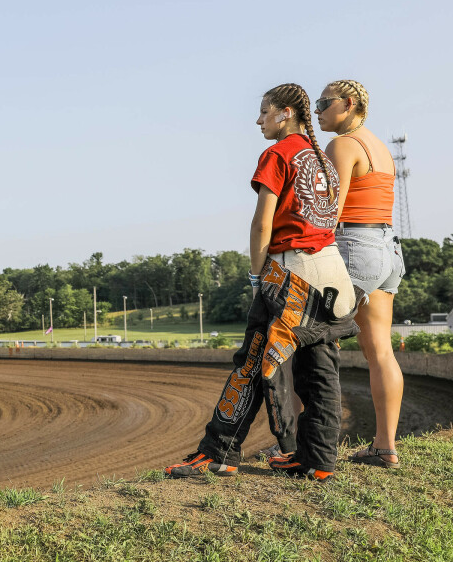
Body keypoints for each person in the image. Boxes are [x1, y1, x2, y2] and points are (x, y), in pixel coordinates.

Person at [166, 83, 361, 482]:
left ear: (285, 112)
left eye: (264, 111)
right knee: (320, 368)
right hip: (332, 273)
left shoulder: (277, 153)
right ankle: (318, 461)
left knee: (253, 358)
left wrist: (257, 277)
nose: (258, 120)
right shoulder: (320, 157)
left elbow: (261, 224)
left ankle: (219, 452)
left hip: (290, 274)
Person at [316, 79, 404, 467]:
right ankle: (385, 447)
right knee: (381, 351)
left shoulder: (342, 145)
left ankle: (309, 445)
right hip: (386, 248)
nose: (317, 110)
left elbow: (330, 211)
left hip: (351, 246)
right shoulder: (380, 147)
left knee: (313, 344)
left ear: (348, 104)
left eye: (324, 102)